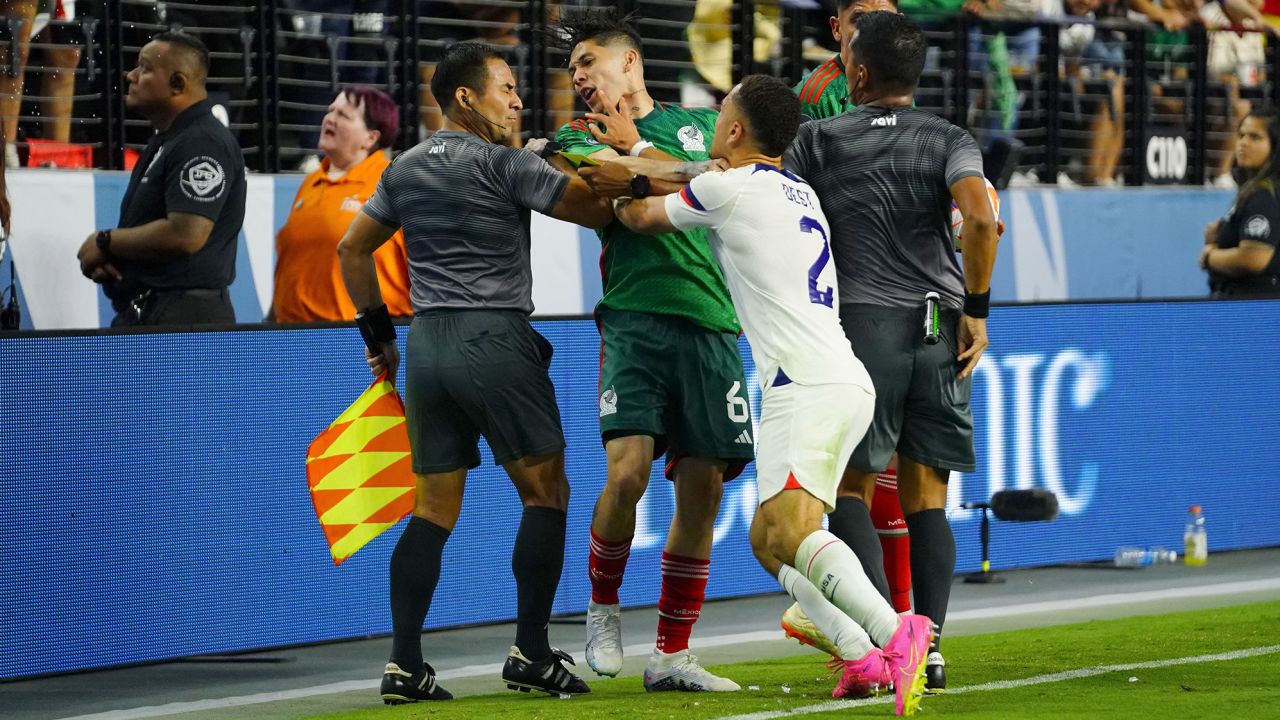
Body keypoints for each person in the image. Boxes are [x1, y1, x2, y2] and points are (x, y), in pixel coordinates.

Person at [609, 73, 936, 716]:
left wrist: (620, 176)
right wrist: (644, 155)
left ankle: (900, 632)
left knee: (792, 530)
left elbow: (643, 214)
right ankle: (857, 653)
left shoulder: (729, 188)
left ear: (732, 130)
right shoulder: (794, 188)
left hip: (804, 384)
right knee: (768, 538)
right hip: (839, 378)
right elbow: (696, 169)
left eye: (720, 117)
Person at [334, 41, 613, 703]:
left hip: (427, 343)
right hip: (495, 337)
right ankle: (532, 653)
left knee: (432, 508)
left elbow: (352, 250)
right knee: (547, 494)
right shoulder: (504, 163)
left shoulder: (402, 167)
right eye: (507, 89)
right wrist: (578, 157)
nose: (518, 101)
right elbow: (594, 208)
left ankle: (404, 664)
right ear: (466, 97)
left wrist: (379, 337)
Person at [783, 10, 1000, 694]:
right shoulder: (948, 137)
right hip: (939, 327)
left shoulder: (817, 140)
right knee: (926, 499)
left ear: (860, 72)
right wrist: (977, 309)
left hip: (860, 330)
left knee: (847, 489)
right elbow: (984, 217)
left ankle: (887, 637)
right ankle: (930, 649)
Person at [542, 8, 755, 692]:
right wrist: (679, 172)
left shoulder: (697, 121)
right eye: (572, 69)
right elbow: (621, 206)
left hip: (715, 322)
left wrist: (647, 160)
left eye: (589, 63)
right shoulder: (579, 136)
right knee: (627, 473)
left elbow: (733, 183)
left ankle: (672, 654)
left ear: (630, 62)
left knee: (702, 489)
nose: (578, 77)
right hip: (634, 320)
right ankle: (602, 608)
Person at [75, 31, 246, 326]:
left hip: (184, 324)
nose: (131, 75)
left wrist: (106, 242)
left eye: (145, 67)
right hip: (157, 313)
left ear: (178, 84)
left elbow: (186, 233)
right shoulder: (171, 139)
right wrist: (118, 264)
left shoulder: (203, 142)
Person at [271, 85, 412, 322]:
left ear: (371, 137)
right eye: (330, 111)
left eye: (343, 115)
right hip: (291, 339)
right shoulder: (312, 182)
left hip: (360, 342)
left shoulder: (395, 183)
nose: (330, 119)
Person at [1201, 108, 1280, 296]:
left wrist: (1210, 256)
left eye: (1255, 137)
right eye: (1241, 135)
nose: (1243, 143)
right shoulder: (1253, 190)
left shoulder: (1265, 195)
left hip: (1253, 312)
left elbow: (1254, 258)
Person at [793, 0, 897, 122]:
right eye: (859, 20)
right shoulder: (816, 97)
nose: (873, 31)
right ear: (837, 28)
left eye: (885, 20)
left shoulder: (900, 82)